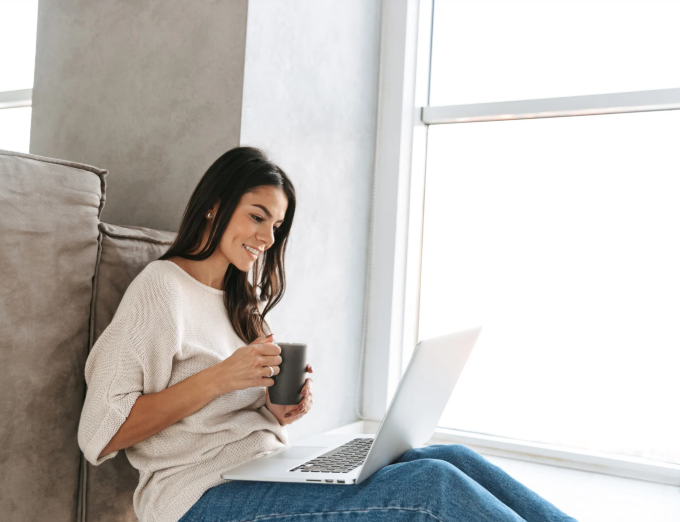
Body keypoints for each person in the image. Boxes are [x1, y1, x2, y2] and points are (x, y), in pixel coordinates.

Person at [78, 146, 577, 522]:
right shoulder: (162, 290)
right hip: (197, 497)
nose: (267, 238)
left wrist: (274, 409)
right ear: (214, 206)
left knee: (449, 457)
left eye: (276, 225)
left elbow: (230, 415)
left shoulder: (239, 300)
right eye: (257, 216)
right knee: (433, 486)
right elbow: (100, 435)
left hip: (263, 466)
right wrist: (222, 379)